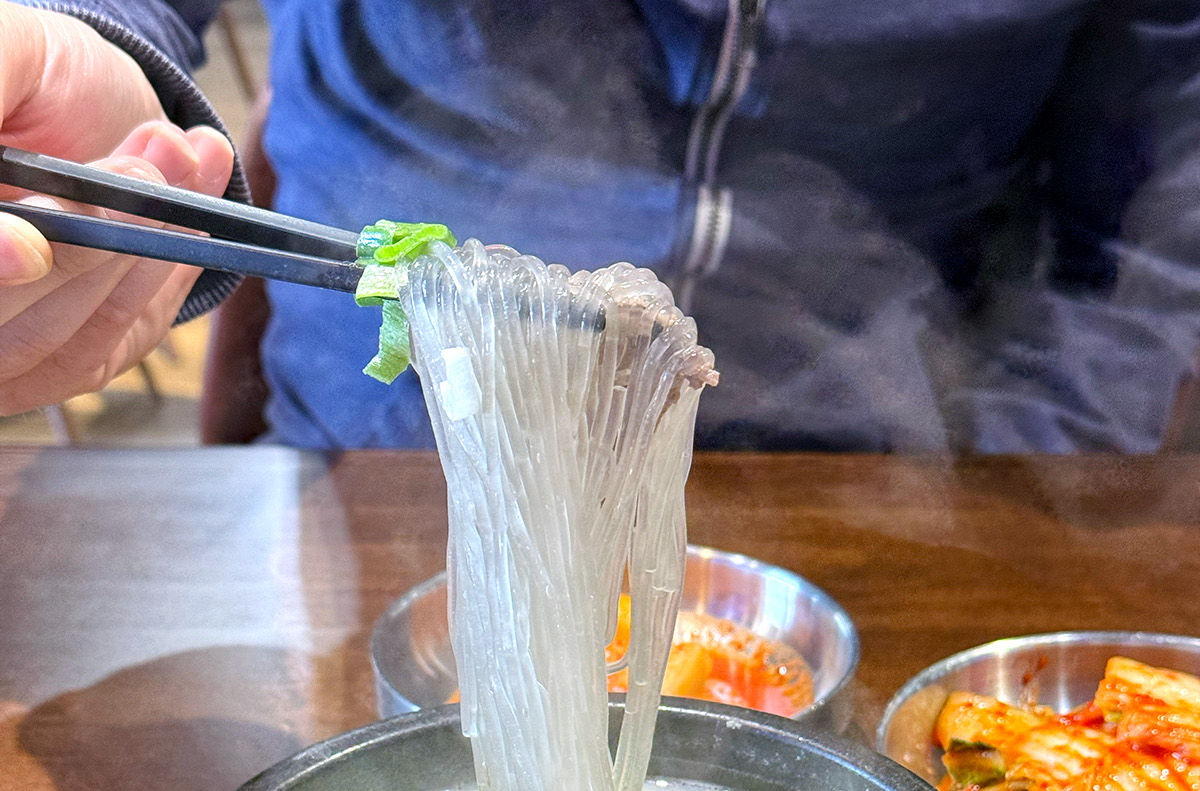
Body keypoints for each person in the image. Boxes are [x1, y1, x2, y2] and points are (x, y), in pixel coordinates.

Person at [1, 0, 1199, 452]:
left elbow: (1160, 214)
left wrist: (1028, 460)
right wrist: (80, 42)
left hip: (869, 467)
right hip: (387, 454)